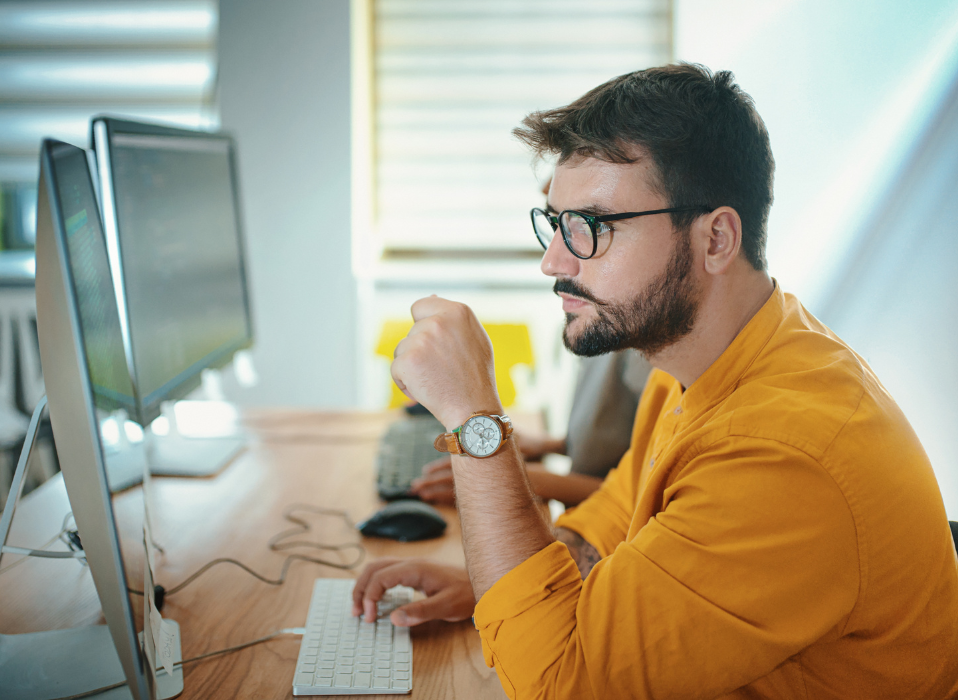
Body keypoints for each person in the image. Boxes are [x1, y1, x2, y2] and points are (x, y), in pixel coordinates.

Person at [351, 64, 958, 699]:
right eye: (555, 224)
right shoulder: (702, 358)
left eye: (593, 227)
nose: (554, 261)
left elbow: (562, 684)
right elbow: (611, 520)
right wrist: (494, 582)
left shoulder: (786, 454)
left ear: (717, 238)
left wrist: (475, 418)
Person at [409, 349, 650, 507]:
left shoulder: (654, 361)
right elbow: (624, 435)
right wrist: (552, 445)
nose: (550, 268)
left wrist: (508, 479)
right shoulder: (603, 322)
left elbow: (646, 498)